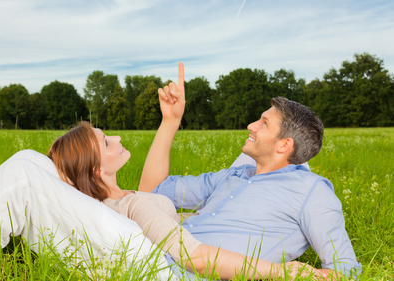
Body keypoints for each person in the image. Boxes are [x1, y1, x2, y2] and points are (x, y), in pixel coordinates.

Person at [0, 63, 323, 279]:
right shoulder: (121, 211)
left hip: (156, 256)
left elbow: (154, 191)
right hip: (157, 266)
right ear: (94, 169)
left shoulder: (132, 202)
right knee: (26, 166)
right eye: (106, 141)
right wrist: (288, 271)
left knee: (284, 153)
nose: (117, 136)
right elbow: (195, 256)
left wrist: (171, 120)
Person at [138, 63, 360, 279]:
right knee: (118, 205)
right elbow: (150, 192)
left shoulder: (311, 191)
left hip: (179, 271)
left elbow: (344, 270)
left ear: (284, 145)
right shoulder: (234, 175)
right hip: (148, 250)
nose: (251, 126)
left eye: (264, 123)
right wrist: (170, 121)